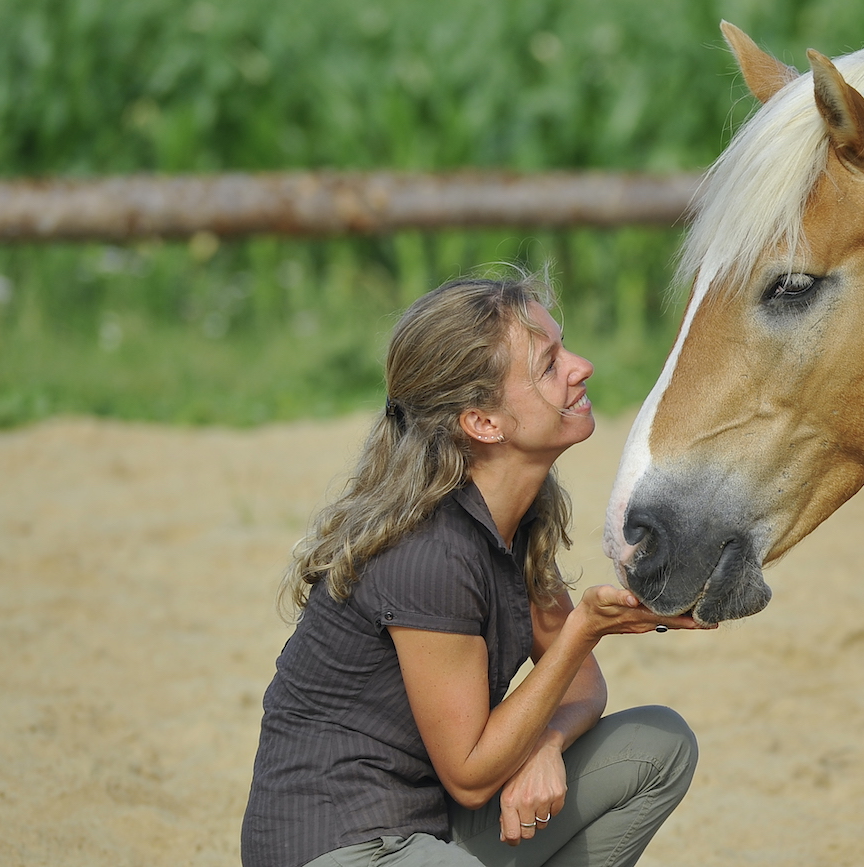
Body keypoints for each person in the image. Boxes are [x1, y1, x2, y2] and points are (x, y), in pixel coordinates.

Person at [242, 271, 710, 867]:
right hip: (344, 843)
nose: (582, 365)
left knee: (657, 747)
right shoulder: (430, 553)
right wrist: (583, 628)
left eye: (563, 346)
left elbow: (584, 687)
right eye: (548, 365)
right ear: (483, 423)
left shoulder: (522, 516)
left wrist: (547, 741)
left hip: (432, 833)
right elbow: (469, 775)